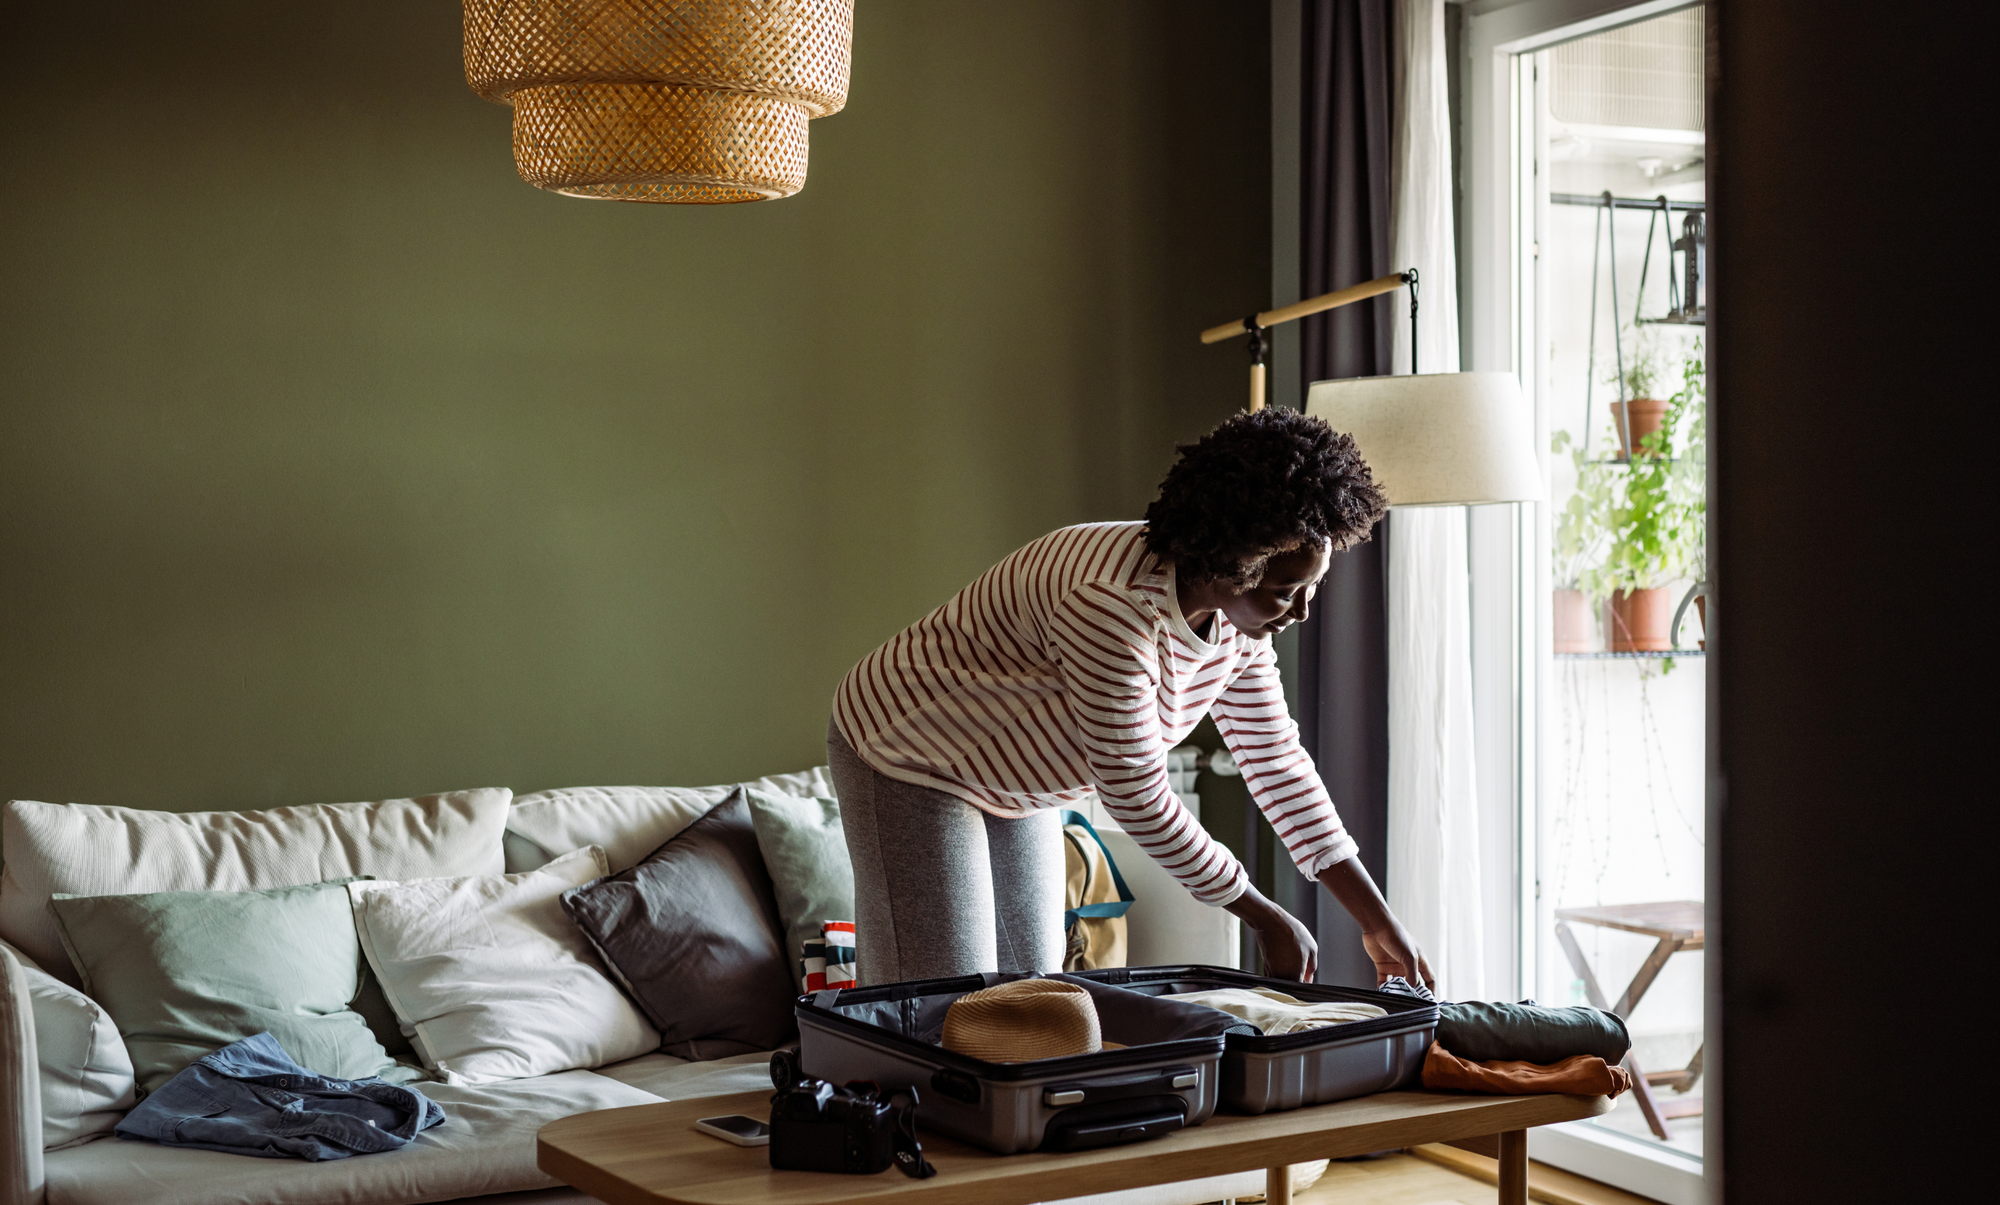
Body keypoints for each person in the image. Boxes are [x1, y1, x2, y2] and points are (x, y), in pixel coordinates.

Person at [828, 408, 1434, 989]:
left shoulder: (1238, 625)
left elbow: (1276, 762)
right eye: (1285, 591)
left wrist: (1376, 922)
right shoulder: (1111, 606)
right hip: (910, 752)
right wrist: (1260, 912)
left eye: (1312, 588)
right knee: (942, 1006)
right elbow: (1135, 794)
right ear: (1230, 564)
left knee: (1030, 1000)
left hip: (1013, 782)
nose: (1301, 611)